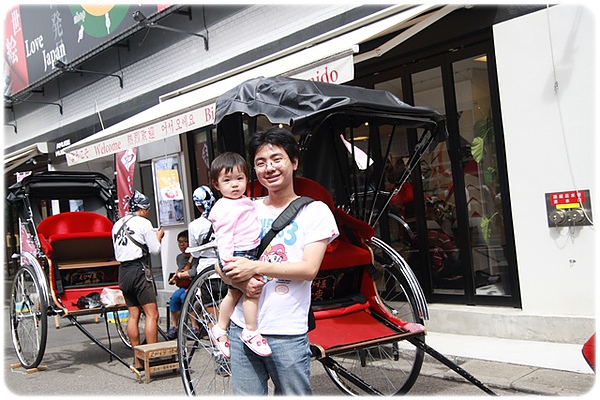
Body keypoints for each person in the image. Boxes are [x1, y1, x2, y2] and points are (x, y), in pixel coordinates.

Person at [216, 127, 339, 396]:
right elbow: (219, 264)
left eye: (276, 159)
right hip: (242, 329)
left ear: (293, 162)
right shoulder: (245, 207)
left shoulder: (315, 212)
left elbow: (309, 269)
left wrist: (255, 267)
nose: (269, 168)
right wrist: (239, 281)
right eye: (260, 162)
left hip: (287, 332)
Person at [208, 152, 267, 359]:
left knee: (233, 294)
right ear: (216, 184)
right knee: (252, 291)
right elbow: (223, 237)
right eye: (227, 180)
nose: (234, 184)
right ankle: (251, 330)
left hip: (247, 252)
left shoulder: (242, 201)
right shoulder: (225, 207)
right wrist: (227, 262)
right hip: (238, 254)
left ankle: (220, 328)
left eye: (239, 178)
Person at [112, 190, 164, 348]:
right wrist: (158, 237)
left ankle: (137, 355)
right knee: (152, 314)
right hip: (139, 270)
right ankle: (152, 353)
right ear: (142, 209)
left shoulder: (117, 224)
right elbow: (155, 250)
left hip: (123, 271)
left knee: (133, 314)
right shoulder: (143, 223)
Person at [166, 230, 199, 340]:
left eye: (185, 241)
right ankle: (174, 326)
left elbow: (193, 272)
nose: (182, 244)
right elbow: (180, 270)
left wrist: (180, 275)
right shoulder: (179, 257)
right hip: (185, 285)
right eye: (180, 242)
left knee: (185, 297)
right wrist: (175, 278)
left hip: (196, 286)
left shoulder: (196, 256)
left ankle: (195, 327)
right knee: (175, 297)